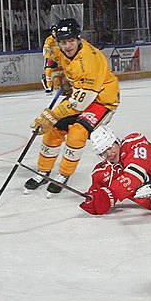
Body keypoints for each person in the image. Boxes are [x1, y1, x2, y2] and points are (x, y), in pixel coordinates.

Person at [27, 17, 119, 193]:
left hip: (101, 99)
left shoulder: (90, 61)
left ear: (78, 39)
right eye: (63, 42)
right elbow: (50, 48)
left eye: (71, 41)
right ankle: (43, 171)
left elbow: (79, 103)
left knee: (77, 132)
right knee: (54, 129)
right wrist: (56, 72)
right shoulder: (57, 45)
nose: (68, 46)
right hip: (78, 93)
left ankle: (63, 174)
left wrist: (51, 115)